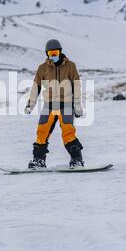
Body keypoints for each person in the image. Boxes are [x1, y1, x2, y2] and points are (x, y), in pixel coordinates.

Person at [24, 39, 84, 169]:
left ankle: (77, 160)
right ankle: (39, 160)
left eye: (55, 52)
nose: (53, 56)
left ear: (60, 52)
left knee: (68, 132)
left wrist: (78, 106)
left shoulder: (70, 66)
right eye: (50, 53)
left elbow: (77, 86)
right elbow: (36, 87)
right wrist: (30, 104)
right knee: (42, 132)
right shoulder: (42, 68)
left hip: (66, 104)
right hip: (49, 105)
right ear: (47, 54)